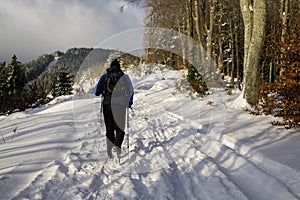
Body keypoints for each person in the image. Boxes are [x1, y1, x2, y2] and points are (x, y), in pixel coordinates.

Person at [94, 59, 134, 162]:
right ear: (119, 67)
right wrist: (129, 103)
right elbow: (130, 91)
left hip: (107, 104)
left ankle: (110, 151)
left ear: (110, 67)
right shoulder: (124, 77)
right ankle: (117, 148)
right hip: (120, 105)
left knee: (110, 129)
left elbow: (96, 92)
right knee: (120, 129)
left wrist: (103, 90)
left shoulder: (105, 76)